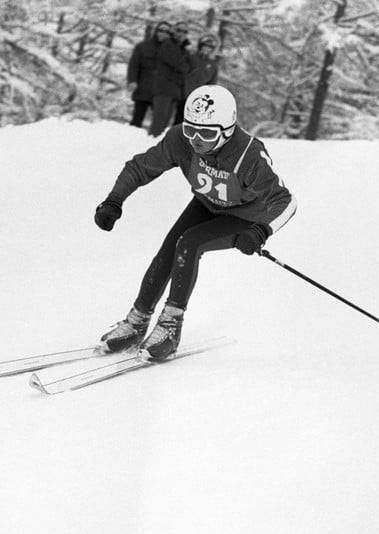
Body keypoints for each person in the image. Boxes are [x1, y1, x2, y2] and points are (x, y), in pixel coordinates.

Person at [94, 85, 296, 359]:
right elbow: (141, 167)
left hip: (244, 216)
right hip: (206, 204)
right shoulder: (180, 140)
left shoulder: (248, 154)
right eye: (191, 129)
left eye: (208, 133)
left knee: (189, 244)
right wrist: (114, 200)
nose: (197, 140)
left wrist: (261, 230)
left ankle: (170, 325)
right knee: (169, 248)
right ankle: (137, 321)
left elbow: (286, 200)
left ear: (227, 130)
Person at [148, 22, 190, 137]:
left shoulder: (182, 49)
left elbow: (187, 66)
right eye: (179, 30)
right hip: (163, 89)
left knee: (164, 124)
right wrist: (185, 65)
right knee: (158, 124)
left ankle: (156, 149)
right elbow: (181, 65)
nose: (182, 33)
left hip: (174, 91)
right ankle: (148, 148)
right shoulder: (168, 44)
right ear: (173, 32)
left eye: (185, 32)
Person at [127, 21, 171, 128]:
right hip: (143, 89)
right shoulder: (142, 46)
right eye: (161, 30)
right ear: (156, 31)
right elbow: (134, 65)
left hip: (160, 93)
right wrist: (132, 81)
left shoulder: (172, 51)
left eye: (166, 32)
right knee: (136, 121)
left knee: (158, 124)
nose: (163, 33)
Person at [177, 34, 219, 124]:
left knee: (191, 122)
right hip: (183, 94)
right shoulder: (191, 57)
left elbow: (212, 85)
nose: (206, 48)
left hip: (198, 100)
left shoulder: (213, 65)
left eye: (210, 47)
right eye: (205, 46)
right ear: (200, 46)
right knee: (179, 119)